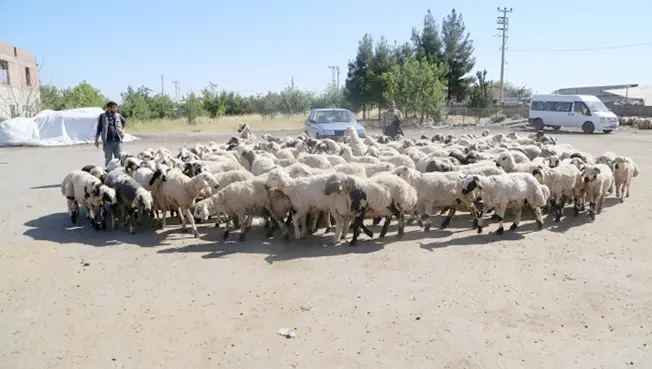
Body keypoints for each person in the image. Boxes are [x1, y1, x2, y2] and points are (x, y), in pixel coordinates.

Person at [95, 101, 127, 166]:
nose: (115, 109)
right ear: (109, 108)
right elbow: (99, 128)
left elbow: (124, 122)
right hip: (107, 142)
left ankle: (119, 173)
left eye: (116, 108)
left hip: (118, 141)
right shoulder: (102, 116)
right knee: (108, 159)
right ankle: (108, 173)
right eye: (114, 108)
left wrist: (121, 130)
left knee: (119, 158)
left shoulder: (118, 115)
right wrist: (96, 140)